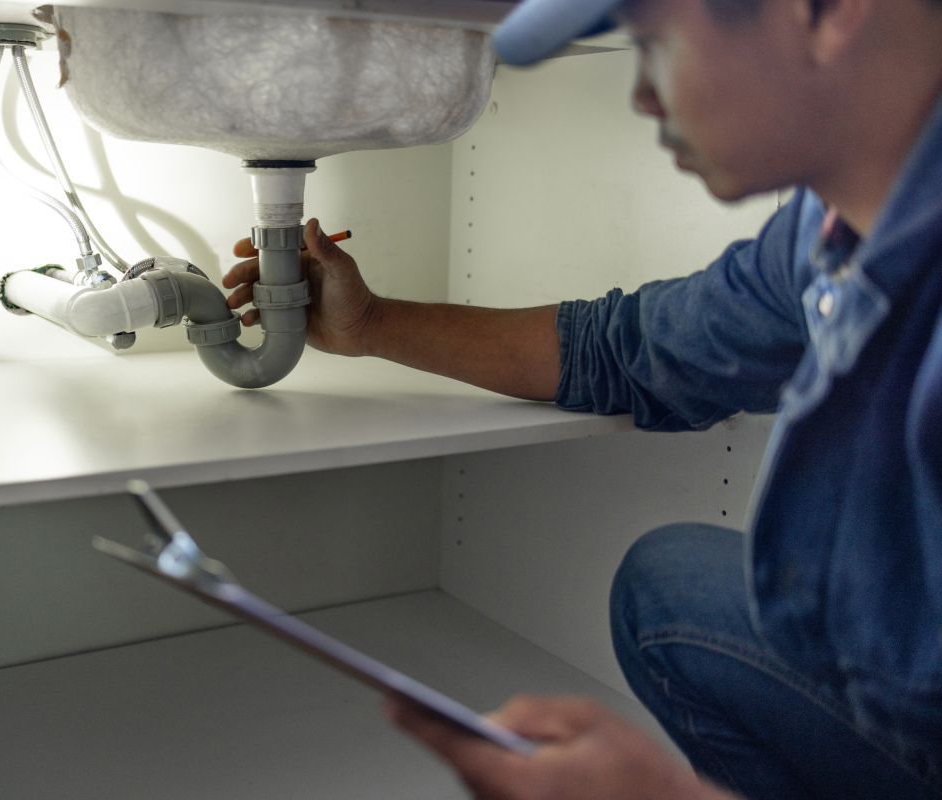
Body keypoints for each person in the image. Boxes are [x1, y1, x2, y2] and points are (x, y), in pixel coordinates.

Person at [224, 0, 942, 796]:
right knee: (666, 586)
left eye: (657, 43)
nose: (640, 95)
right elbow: (635, 349)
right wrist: (372, 324)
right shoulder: (826, 230)